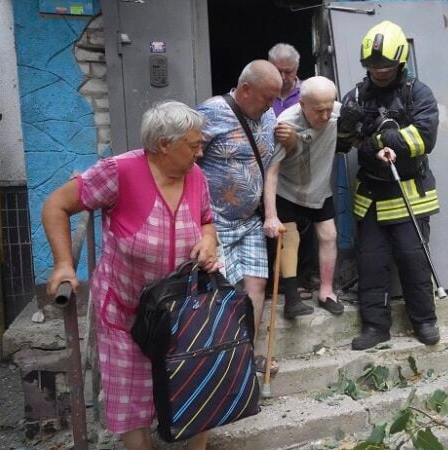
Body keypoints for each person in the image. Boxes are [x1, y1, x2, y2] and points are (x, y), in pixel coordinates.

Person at [43, 101, 217, 449]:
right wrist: (64, 263)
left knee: (197, 386)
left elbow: (206, 219)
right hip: (125, 312)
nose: (200, 153)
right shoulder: (118, 171)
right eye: (194, 145)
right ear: (164, 144)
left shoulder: (194, 175)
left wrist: (209, 242)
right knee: (132, 403)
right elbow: (55, 205)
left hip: (180, 309)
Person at [336, 20, 441, 351]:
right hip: (370, 195)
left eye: (385, 65)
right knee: (370, 262)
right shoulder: (354, 95)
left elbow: (424, 138)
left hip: (409, 190)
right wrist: (346, 125)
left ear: (401, 61)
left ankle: (424, 321)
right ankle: (375, 327)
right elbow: (341, 145)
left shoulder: (417, 93)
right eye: (372, 65)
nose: (378, 71)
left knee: (414, 260)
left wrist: (379, 137)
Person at [196, 60, 283, 373]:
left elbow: (272, 165)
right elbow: (188, 161)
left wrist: (270, 215)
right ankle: (219, 360)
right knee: (223, 292)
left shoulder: (269, 115)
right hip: (216, 225)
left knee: (256, 285)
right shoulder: (211, 112)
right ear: (246, 90)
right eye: (267, 98)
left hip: (250, 221)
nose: (272, 105)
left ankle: (246, 354)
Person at [271, 76, 345, 318]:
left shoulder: (337, 113)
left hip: (320, 188)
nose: (325, 116)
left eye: (329, 108)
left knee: (329, 235)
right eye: (318, 111)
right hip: (288, 188)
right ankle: (291, 299)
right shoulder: (285, 123)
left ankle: (326, 292)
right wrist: (270, 214)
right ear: (302, 104)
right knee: (289, 240)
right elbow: (272, 170)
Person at [269, 43, 301, 117]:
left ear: (296, 69)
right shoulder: (260, 92)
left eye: (288, 72)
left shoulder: (308, 92)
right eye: (278, 71)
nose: (282, 77)